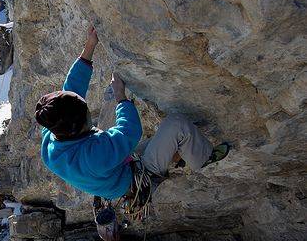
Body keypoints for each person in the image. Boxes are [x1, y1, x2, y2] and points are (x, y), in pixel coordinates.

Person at [35, 26, 229, 217]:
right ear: (79, 126)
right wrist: (121, 96)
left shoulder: (52, 140)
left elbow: (72, 90)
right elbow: (130, 132)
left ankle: (174, 154)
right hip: (136, 179)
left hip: (112, 173)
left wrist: (90, 46)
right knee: (177, 124)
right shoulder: (94, 154)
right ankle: (203, 158)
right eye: (85, 111)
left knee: (129, 123)